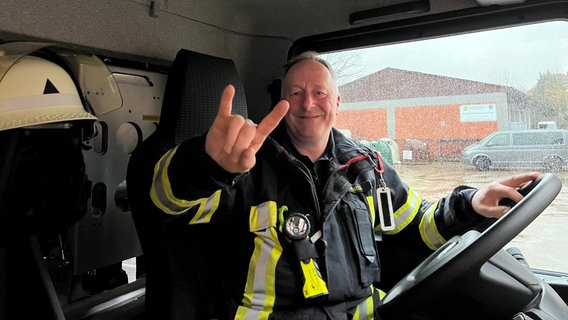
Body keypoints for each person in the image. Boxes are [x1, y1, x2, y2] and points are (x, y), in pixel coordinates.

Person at [149, 51, 540, 319]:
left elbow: (418, 224)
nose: (308, 104)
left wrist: (470, 205)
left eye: (319, 93)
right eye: (295, 93)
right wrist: (206, 162)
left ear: (338, 102)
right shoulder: (245, 162)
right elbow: (166, 202)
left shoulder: (366, 166)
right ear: (280, 103)